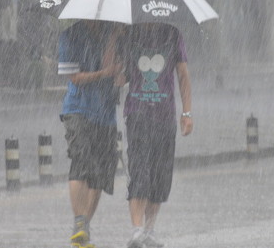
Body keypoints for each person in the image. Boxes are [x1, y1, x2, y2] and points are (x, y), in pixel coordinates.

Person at [119, 23, 193, 248]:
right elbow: (119, 78)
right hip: (138, 115)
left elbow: (182, 74)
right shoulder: (129, 33)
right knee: (139, 171)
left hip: (164, 116)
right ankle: (136, 230)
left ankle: (149, 230)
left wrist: (187, 112)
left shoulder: (173, 33)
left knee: (159, 176)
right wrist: (115, 39)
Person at [57, 20, 123, 248]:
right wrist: (103, 73)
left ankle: (84, 227)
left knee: (101, 173)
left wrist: (113, 37)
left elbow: (115, 72)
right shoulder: (69, 36)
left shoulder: (113, 33)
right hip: (78, 108)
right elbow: (75, 78)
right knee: (81, 160)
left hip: (105, 112)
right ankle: (79, 223)